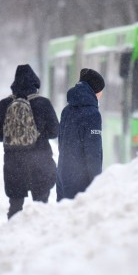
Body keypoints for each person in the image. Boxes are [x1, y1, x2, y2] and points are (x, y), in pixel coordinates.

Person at [0, 64, 59, 219]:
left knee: (15, 205)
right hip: (40, 162)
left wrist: (14, 135)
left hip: (14, 163)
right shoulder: (43, 103)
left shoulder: (5, 104)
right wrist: (37, 133)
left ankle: (11, 238)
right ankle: (39, 239)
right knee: (40, 206)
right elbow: (55, 132)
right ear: (35, 83)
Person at [56, 68, 105, 200]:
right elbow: (93, 153)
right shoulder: (93, 114)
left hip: (62, 175)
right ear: (95, 90)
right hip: (81, 182)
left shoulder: (66, 110)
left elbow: (61, 144)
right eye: (101, 91)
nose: (101, 95)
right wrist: (98, 183)